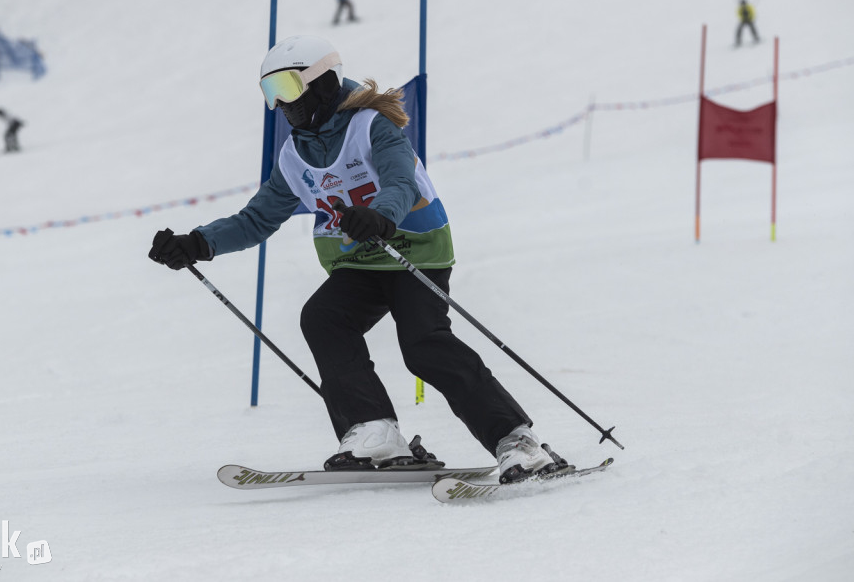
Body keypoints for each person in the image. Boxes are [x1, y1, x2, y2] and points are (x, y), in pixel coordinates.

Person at [148, 35, 570, 483]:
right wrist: (197, 244)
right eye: (270, 93)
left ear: (324, 82)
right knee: (323, 318)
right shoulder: (295, 154)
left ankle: (515, 440)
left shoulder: (372, 126)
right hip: (357, 263)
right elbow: (257, 219)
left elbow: (399, 183)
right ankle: (373, 431)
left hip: (414, 252)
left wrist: (381, 216)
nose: (280, 105)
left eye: (288, 89)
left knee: (424, 344)